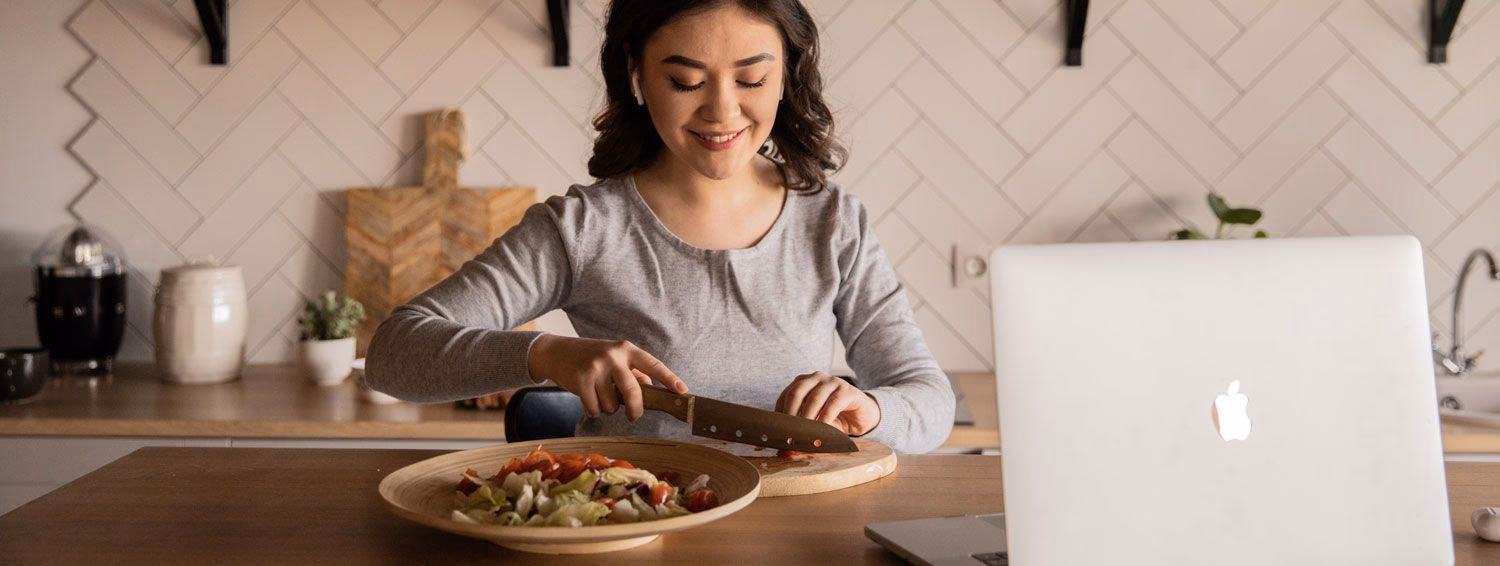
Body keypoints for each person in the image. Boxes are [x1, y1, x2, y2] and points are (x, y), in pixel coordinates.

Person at [365, 0, 954, 454]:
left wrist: (873, 410)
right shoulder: (582, 230)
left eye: (751, 79)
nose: (722, 111)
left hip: (793, 536)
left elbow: (929, 400)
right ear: (636, 74)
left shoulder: (833, 222)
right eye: (686, 82)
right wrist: (546, 355)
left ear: (786, 75)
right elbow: (394, 353)